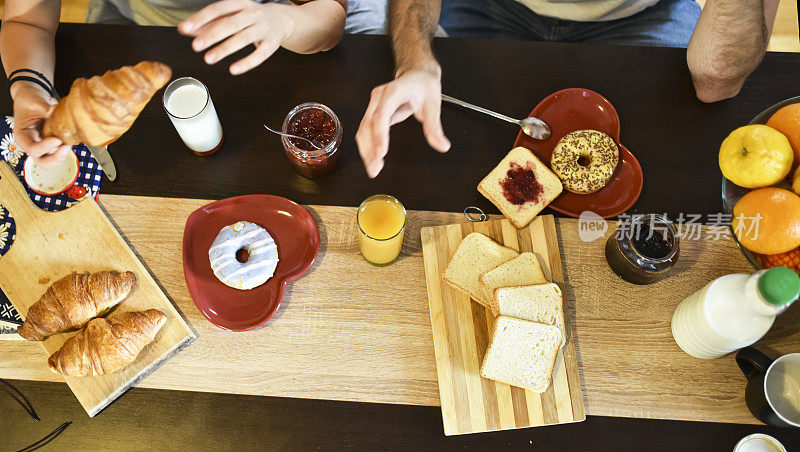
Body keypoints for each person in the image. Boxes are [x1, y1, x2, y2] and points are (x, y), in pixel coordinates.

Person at [356, 0, 779, 178]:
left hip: (645, 14)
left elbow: (716, 79)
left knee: (667, 150)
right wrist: (414, 60)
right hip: (492, 6)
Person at [0, 0, 348, 167]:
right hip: (132, 29)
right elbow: (26, 18)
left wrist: (284, 20)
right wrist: (28, 83)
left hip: (269, 26)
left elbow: (328, 25)